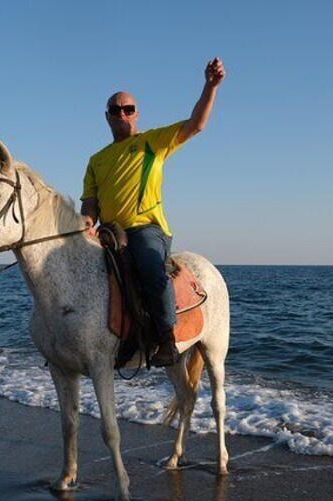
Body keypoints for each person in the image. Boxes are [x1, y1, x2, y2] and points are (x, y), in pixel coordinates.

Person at [81, 58, 226, 367]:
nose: (122, 114)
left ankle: (166, 338)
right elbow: (90, 202)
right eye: (116, 110)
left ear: (136, 113)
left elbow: (195, 124)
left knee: (149, 266)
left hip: (146, 229)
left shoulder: (152, 142)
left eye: (128, 109)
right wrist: (87, 222)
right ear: (106, 117)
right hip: (110, 232)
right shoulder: (96, 160)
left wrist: (210, 87)